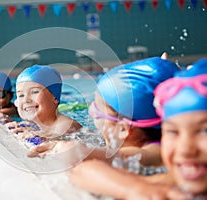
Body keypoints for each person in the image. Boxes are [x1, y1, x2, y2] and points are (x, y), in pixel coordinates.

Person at [67, 57, 181, 199]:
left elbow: (109, 158)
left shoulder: (155, 152)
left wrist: (75, 149)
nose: (93, 116)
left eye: (97, 112)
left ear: (122, 129)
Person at [152, 58, 207, 199]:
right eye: (172, 132)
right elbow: (88, 171)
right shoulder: (172, 182)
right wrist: (135, 189)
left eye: (204, 131)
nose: (185, 149)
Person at [4, 65, 82, 143]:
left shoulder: (65, 125)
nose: (26, 100)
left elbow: (59, 140)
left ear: (55, 97)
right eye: (21, 95)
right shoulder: (37, 124)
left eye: (35, 92)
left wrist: (42, 137)